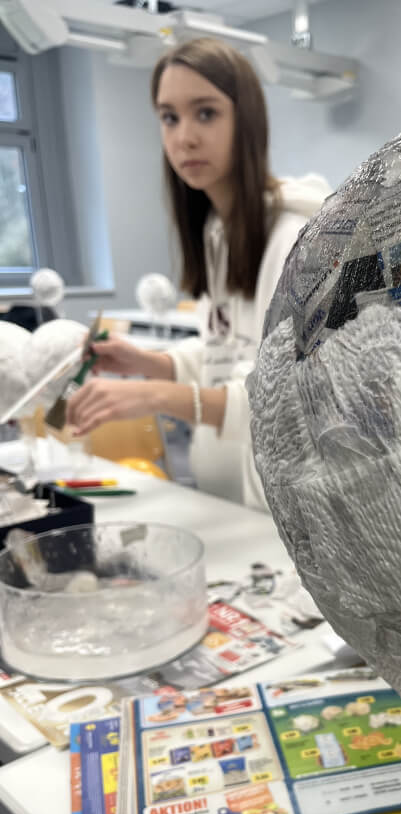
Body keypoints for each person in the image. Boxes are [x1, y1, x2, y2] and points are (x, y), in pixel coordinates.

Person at [65, 38, 329, 508]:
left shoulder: (292, 239)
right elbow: (225, 352)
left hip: (278, 510)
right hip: (227, 502)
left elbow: (285, 397)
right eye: (169, 117)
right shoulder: (216, 233)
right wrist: (149, 363)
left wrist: (157, 396)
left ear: (246, 120)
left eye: (205, 113)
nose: (183, 137)